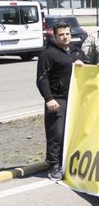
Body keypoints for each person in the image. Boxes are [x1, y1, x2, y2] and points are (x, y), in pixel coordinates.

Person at [35, 22, 88, 181]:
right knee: (56, 134)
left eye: (67, 34)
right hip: (57, 100)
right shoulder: (48, 54)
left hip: (75, 99)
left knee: (71, 132)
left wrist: (84, 65)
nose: (65, 37)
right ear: (55, 36)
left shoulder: (76, 51)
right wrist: (49, 99)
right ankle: (54, 166)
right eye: (61, 35)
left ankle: (67, 162)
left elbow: (89, 70)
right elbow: (41, 79)